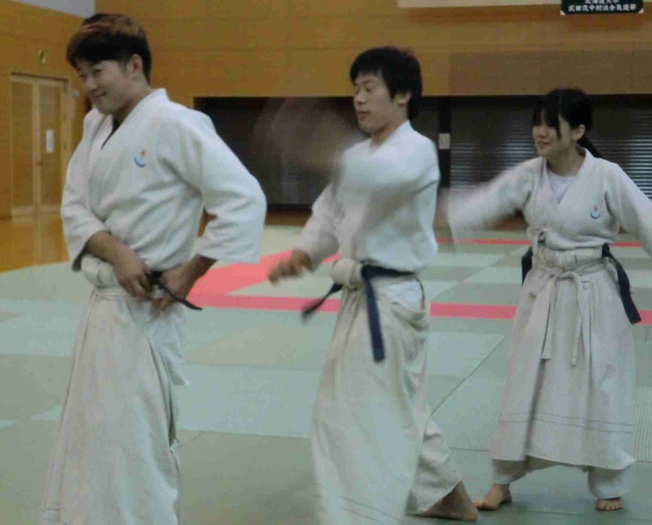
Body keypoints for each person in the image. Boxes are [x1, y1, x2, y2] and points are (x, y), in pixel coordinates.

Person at [40, 13, 266, 524]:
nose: (89, 85)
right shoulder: (96, 126)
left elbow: (244, 200)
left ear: (134, 66)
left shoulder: (176, 124)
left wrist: (193, 270)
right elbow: (74, 207)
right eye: (82, 75)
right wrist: (115, 250)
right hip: (103, 304)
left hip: (147, 310)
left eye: (97, 71)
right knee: (92, 439)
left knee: (135, 446)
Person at [269, 46, 478, 524]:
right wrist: (304, 253)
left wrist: (318, 144)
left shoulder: (415, 151)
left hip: (393, 300)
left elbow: (382, 179)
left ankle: (358, 513)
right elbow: (329, 214)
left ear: (402, 95)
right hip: (362, 298)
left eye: (369, 88)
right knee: (394, 403)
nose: (358, 99)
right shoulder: (355, 156)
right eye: (355, 89)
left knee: (356, 410)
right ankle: (450, 496)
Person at [443, 88, 651, 513]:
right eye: (537, 122)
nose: (540, 131)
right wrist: (441, 216)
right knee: (523, 381)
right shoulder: (528, 174)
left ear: (578, 131)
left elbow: (647, 221)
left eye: (551, 124)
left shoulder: (607, 176)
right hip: (543, 289)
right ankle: (503, 480)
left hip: (593, 291)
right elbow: (484, 201)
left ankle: (609, 481)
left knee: (602, 384)